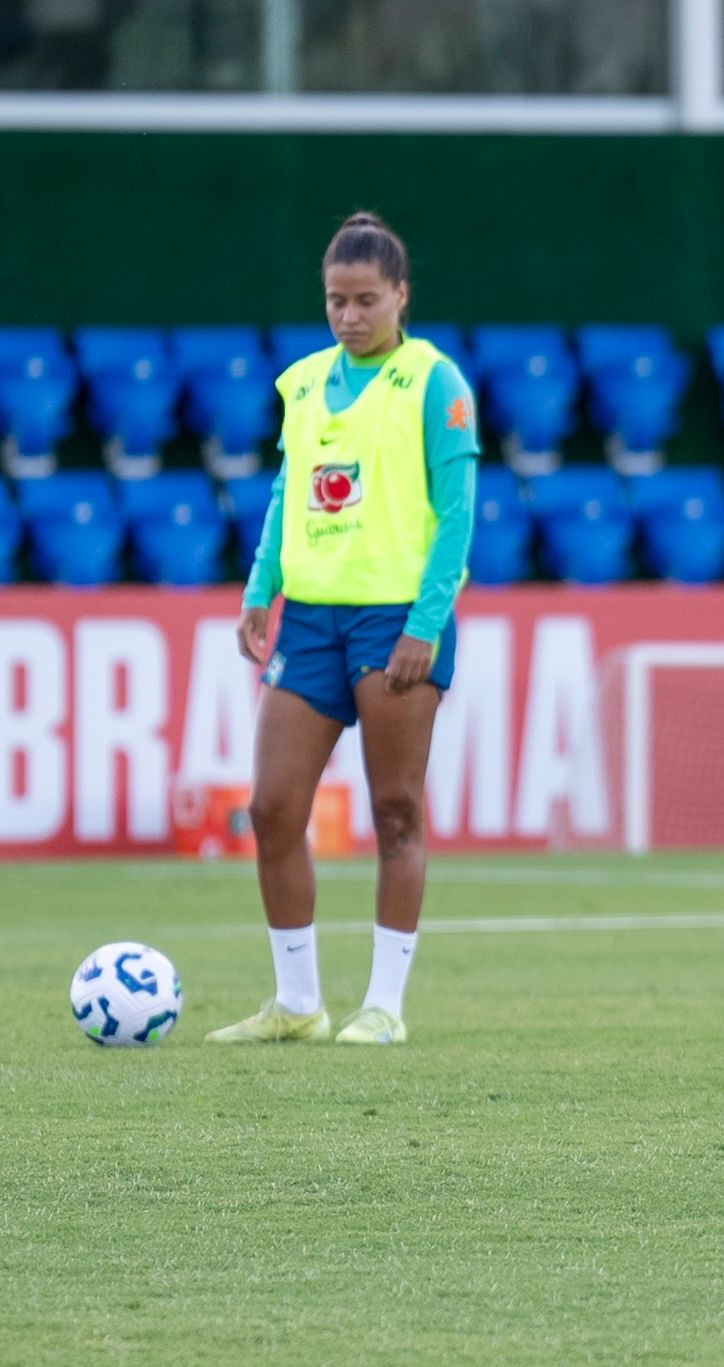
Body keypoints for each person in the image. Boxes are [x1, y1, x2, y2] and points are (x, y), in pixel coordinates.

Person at [207, 212, 478, 1046]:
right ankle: (297, 1002)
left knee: (394, 808)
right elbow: (291, 493)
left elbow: (458, 512)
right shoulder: (302, 383)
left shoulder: (436, 383)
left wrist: (425, 625)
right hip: (313, 620)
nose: (350, 316)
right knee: (272, 806)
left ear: (401, 295)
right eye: (336, 301)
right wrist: (262, 589)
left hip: (396, 617)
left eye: (366, 300)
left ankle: (385, 1007)